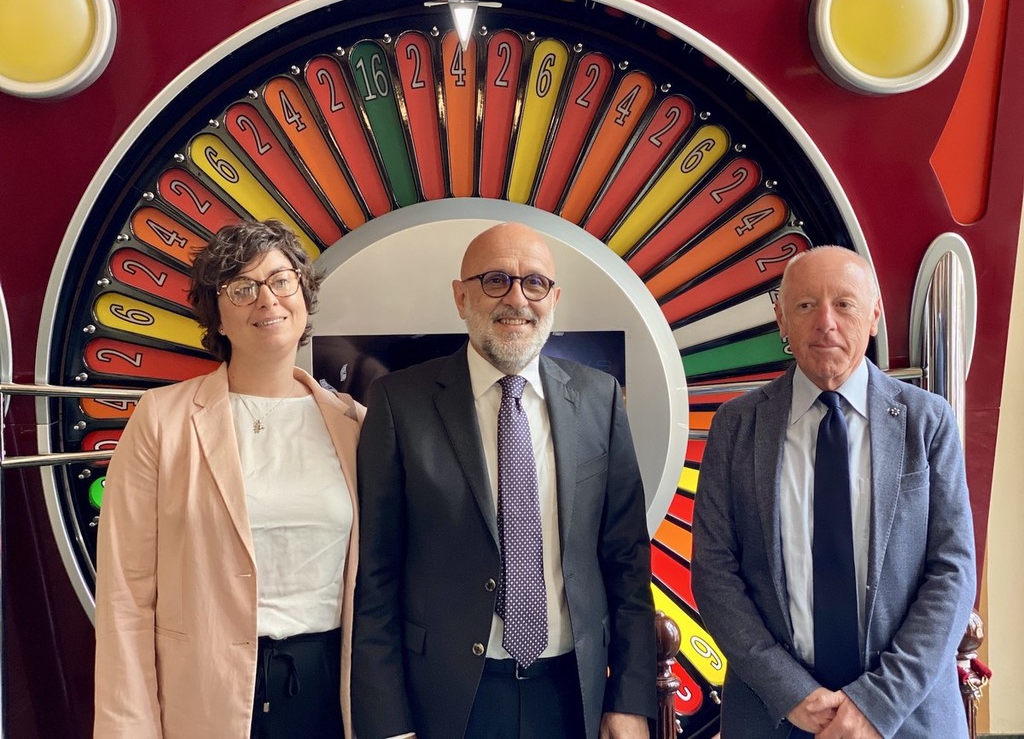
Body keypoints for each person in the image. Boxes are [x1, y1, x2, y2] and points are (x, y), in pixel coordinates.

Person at [352, 222, 656, 739]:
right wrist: (387, 724)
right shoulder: (399, 403)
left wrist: (629, 700)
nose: (517, 299)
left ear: (554, 298)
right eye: (495, 280)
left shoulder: (600, 398)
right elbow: (376, 575)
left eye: (534, 283)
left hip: (572, 693)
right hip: (448, 698)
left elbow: (626, 561)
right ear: (461, 297)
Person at [691, 246, 976, 738]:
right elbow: (715, 573)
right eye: (806, 305)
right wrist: (791, 692)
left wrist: (876, 703)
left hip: (907, 718)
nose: (826, 322)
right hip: (775, 715)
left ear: (874, 315)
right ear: (782, 320)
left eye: (844, 304)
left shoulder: (928, 422)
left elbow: (952, 571)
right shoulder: (736, 426)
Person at [94, 220, 364, 738]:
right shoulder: (161, 420)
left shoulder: (354, 423)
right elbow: (126, 595)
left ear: (303, 295)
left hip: (331, 688)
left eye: (281, 280)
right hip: (204, 693)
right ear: (216, 315)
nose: (267, 299)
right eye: (242, 288)